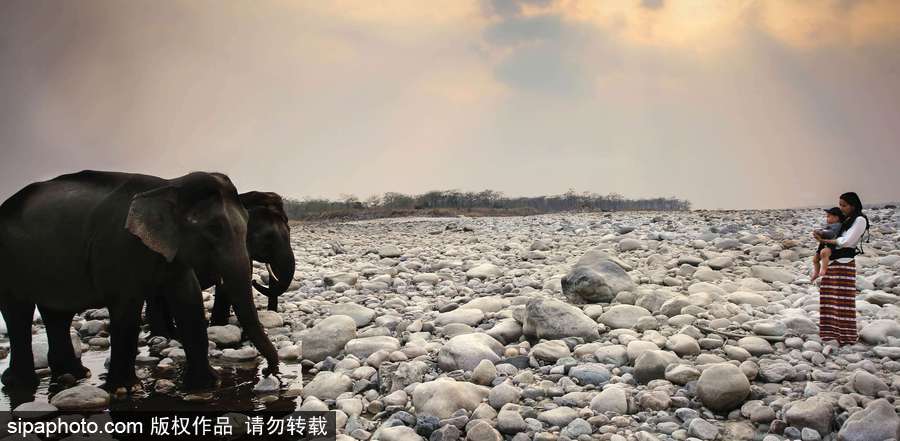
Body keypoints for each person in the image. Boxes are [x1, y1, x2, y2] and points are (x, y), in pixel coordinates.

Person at [813, 192, 870, 346]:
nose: (842, 208)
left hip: (844, 263)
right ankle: (829, 333)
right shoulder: (847, 220)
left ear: (853, 205)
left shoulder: (859, 219)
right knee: (829, 298)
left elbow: (847, 241)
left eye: (844, 205)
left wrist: (824, 240)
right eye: (840, 205)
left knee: (843, 301)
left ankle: (846, 336)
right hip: (832, 263)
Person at [810, 207, 845, 282]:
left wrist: (821, 233)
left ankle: (824, 270)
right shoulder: (830, 225)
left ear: (836, 217)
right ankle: (816, 273)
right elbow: (825, 231)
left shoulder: (837, 225)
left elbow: (831, 234)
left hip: (832, 245)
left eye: (828, 216)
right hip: (824, 243)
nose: (827, 218)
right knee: (815, 259)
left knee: (824, 253)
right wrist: (819, 233)